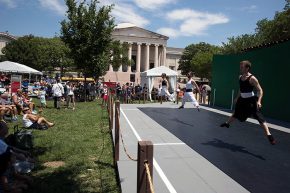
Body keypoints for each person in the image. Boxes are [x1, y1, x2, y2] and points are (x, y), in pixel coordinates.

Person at [220, 60, 276, 145]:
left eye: (242, 67)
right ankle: (227, 123)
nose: (240, 68)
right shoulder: (240, 77)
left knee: (258, 117)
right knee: (236, 113)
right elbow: (241, 89)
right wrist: (237, 97)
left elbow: (260, 90)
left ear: (247, 68)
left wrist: (259, 101)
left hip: (251, 100)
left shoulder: (252, 78)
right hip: (242, 99)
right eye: (240, 67)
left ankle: (269, 135)